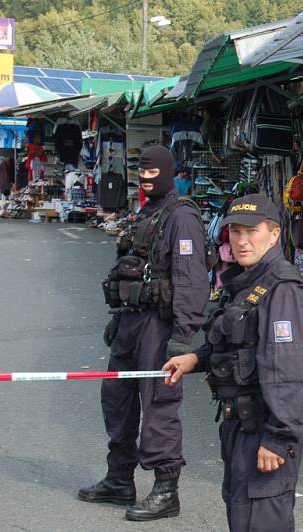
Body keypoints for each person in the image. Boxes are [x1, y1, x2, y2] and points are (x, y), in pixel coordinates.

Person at [162, 194, 303, 531]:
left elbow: (289, 373)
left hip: (264, 426)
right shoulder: (246, 282)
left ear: (274, 234)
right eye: (234, 232)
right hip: (240, 426)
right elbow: (237, 340)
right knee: (241, 512)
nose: (242, 241)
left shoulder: (283, 289)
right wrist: (196, 358)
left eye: (252, 231)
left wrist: (277, 438)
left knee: (259, 520)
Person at [78, 146, 210, 521]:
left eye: (154, 174)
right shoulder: (145, 213)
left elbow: (191, 282)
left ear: (167, 173)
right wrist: (118, 319)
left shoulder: (182, 218)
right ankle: (120, 479)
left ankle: (167, 489)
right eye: (142, 175)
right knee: (116, 398)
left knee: (160, 406)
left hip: (160, 324)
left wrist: (183, 336)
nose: (147, 180)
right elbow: (129, 268)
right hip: (130, 321)